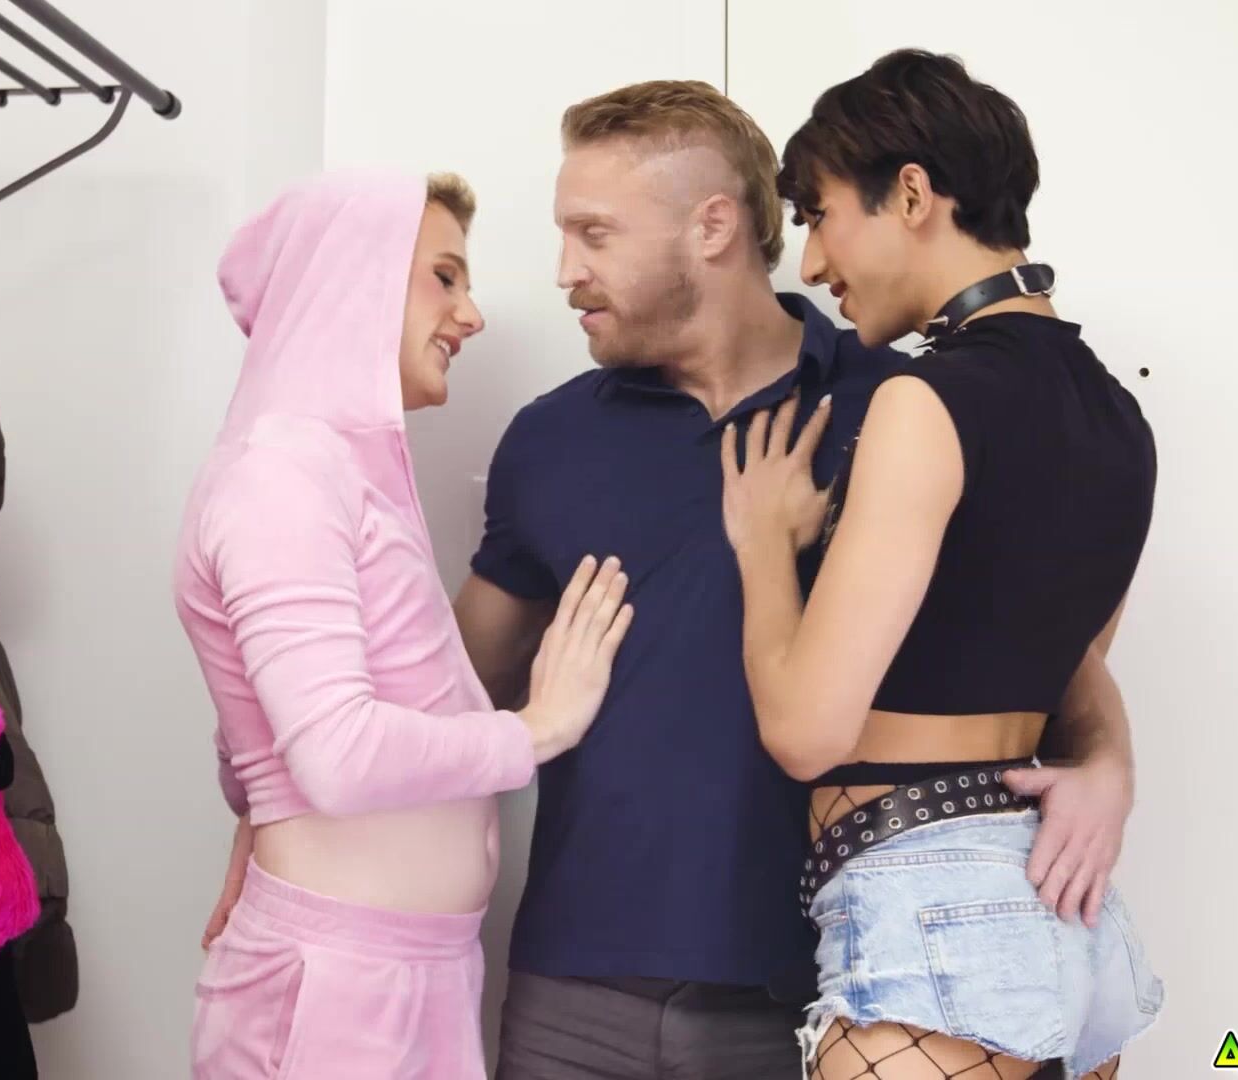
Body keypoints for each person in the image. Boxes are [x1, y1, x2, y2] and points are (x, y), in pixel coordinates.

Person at [454, 80, 1137, 1080]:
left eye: (592, 233)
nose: (565, 271)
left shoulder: (908, 403)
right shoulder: (548, 440)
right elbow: (450, 697)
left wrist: (1108, 763)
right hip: (574, 990)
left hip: (820, 982)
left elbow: (1045, 644)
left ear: (711, 226)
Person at [719, 50, 1166, 1079]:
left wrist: (763, 548)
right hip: (1059, 917)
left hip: (930, 914)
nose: (811, 263)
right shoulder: (1118, 419)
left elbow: (805, 731)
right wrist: (1112, 764)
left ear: (912, 195)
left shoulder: (922, 403)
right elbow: (1067, 668)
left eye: (822, 215)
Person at [175, 169, 633, 1080]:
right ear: (353, 276)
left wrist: (260, 801)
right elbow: (337, 756)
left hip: (399, 973)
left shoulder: (334, 475)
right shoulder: (281, 479)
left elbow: (269, 724)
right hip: (339, 985)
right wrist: (537, 730)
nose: (471, 315)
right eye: (444, 277)